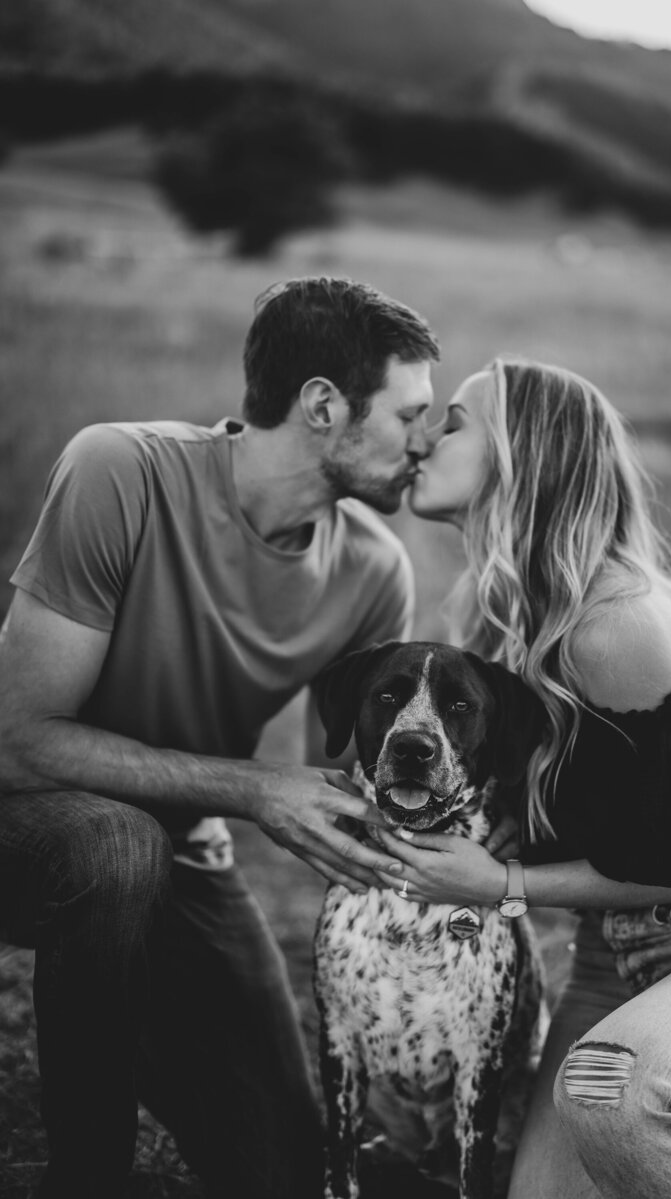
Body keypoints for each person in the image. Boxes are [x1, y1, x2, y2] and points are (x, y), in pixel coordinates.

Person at [0, 276, 440, 1199]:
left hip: (182, 851)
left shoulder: (372, 572)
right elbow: (15, 740)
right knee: (114, 844)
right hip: (26, 818)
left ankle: (147, 1025)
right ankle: (87, 1177)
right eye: (412, 414)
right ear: (323, 405)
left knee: (286, 1165)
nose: (426, 441)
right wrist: (254, 788)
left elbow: (356, 801)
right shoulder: (120, 469)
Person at [376, 357, 671, 1199]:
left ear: (522, 457)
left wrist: (501, 883)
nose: (422, 436)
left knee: (610, 1093)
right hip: (609, 967)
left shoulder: (617, 626)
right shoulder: (501, 620)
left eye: (453, 421)